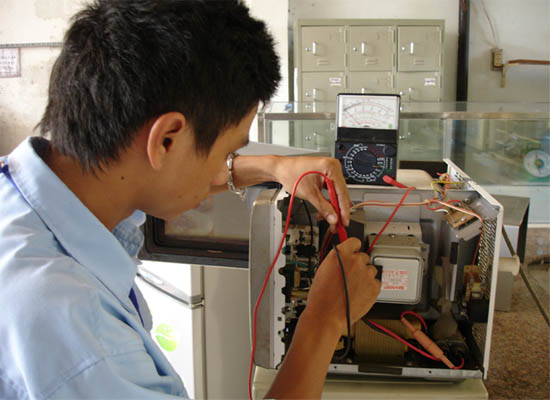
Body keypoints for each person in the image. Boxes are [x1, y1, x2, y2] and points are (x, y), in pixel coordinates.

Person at [0, 1, 381, 398]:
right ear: (167, 139)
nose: (225, 165)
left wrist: (272, 167)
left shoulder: (32, 194)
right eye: (227, 151)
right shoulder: (79, 336)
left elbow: (159, 176)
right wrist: (324, 320)